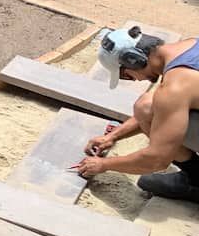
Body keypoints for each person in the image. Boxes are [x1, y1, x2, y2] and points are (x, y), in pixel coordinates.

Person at [73, 24, 199, 202]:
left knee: (156, 107)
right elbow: (160, 112)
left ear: (134, 60)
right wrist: (113, 137)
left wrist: (104, 164)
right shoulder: (190, 46)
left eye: (127, 75)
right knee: (146, 105)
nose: (136, 79)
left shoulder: (176, 87)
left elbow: (158, 159)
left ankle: (197, 181)